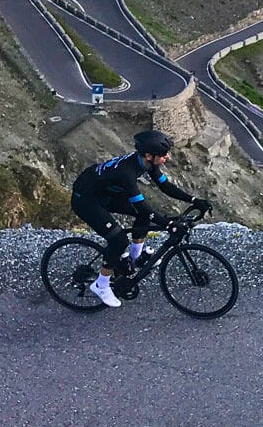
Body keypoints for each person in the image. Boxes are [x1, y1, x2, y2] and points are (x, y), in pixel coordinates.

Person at [69, 128, 212, 308]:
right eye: (164, 154)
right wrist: (168, 224)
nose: (167, 157)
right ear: (148, 155)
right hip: (86, 200)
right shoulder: (126, 172)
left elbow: (165, 186)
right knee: (119, 240)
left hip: (106, 193)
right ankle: (101, 284)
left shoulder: (148, 162)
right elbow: (144, 208)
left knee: (142, 216)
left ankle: (134, 258)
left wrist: (194, 200)